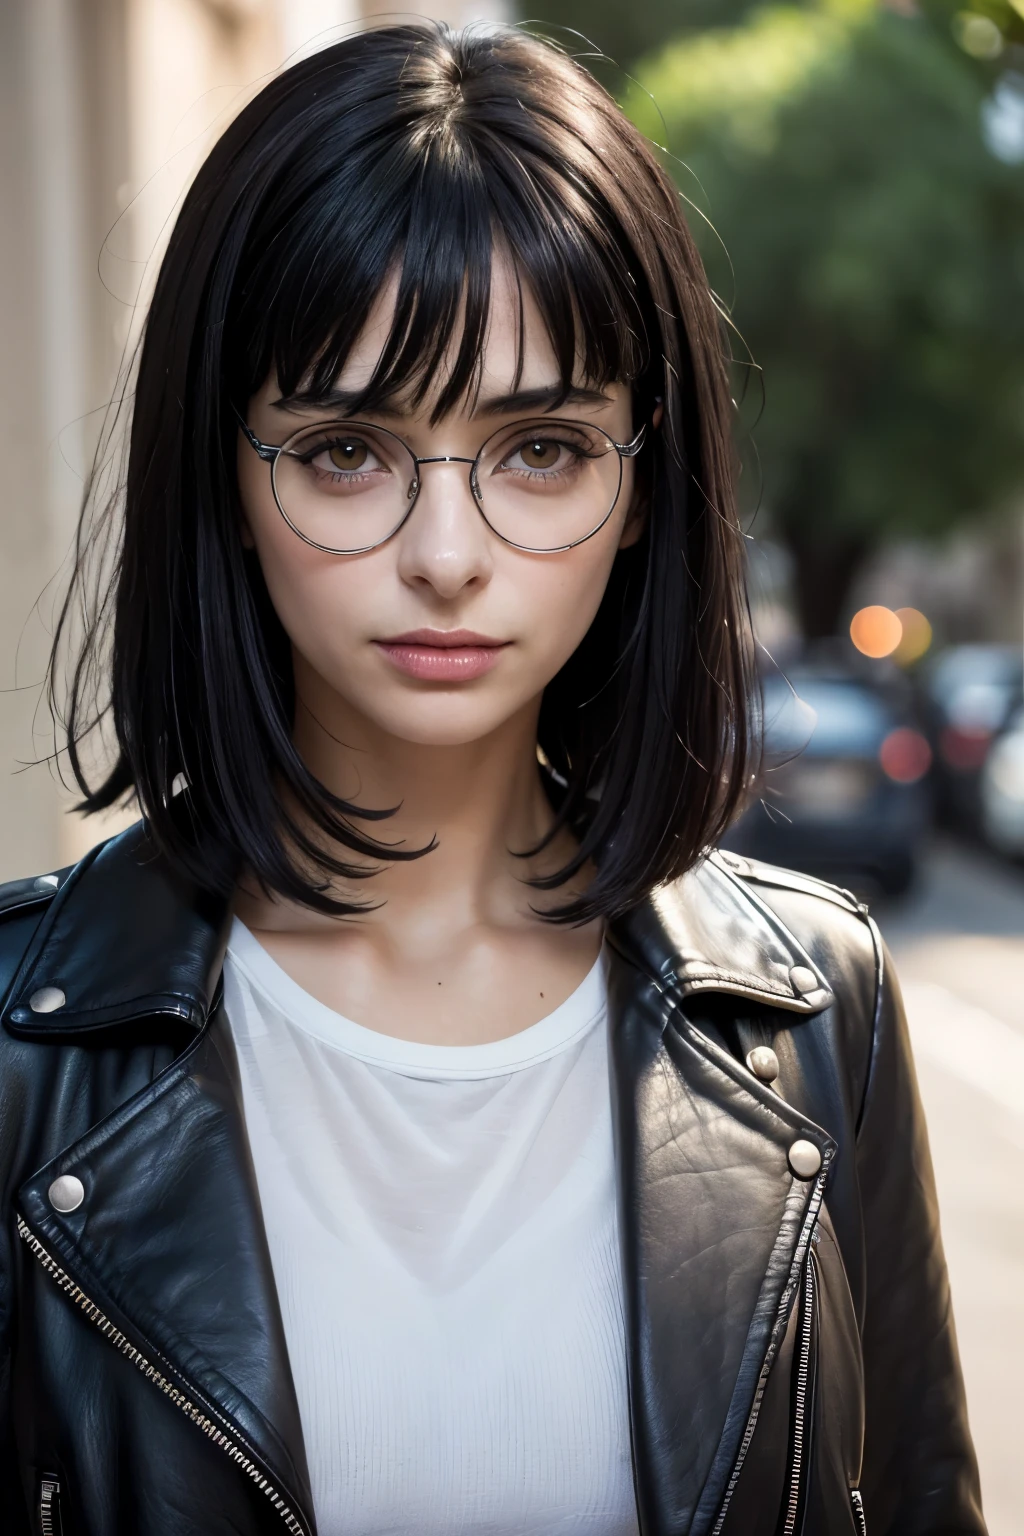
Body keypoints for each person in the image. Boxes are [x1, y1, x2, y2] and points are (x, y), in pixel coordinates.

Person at [0, 22, 984, 1536]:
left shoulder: (818, 1009)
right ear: (225, 476)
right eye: (343, 449)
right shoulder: (17, 1061)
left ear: (644, 479)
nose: (445, 558)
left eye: (540, 448)